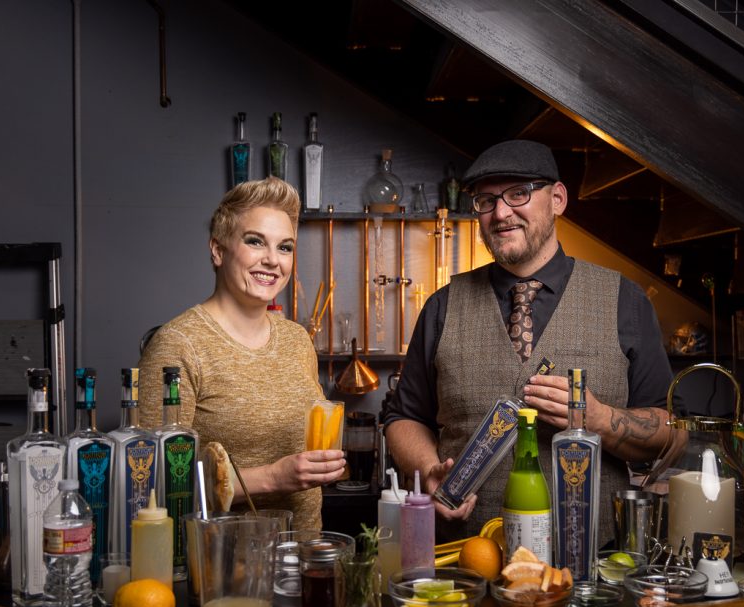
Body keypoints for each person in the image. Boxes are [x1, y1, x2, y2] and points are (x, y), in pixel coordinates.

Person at [383, 139, 677, 543]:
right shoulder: (442, 306)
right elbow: (404, 418)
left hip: (594, 564)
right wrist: (430, 468)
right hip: (467, 561)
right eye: (485, 201)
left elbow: (670, 429)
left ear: (557, 198)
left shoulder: (625, 301)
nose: (500, 213)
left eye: (518, 193)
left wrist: (599, 420)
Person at [138, 177, 344, 530]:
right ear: (218, 250)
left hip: (304, 560)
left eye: (285, 247)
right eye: (255, 242)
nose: (272, 261)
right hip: (223, 567)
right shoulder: (179, 345)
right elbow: (150, 483)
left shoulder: (297, 340)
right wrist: (271, 478)